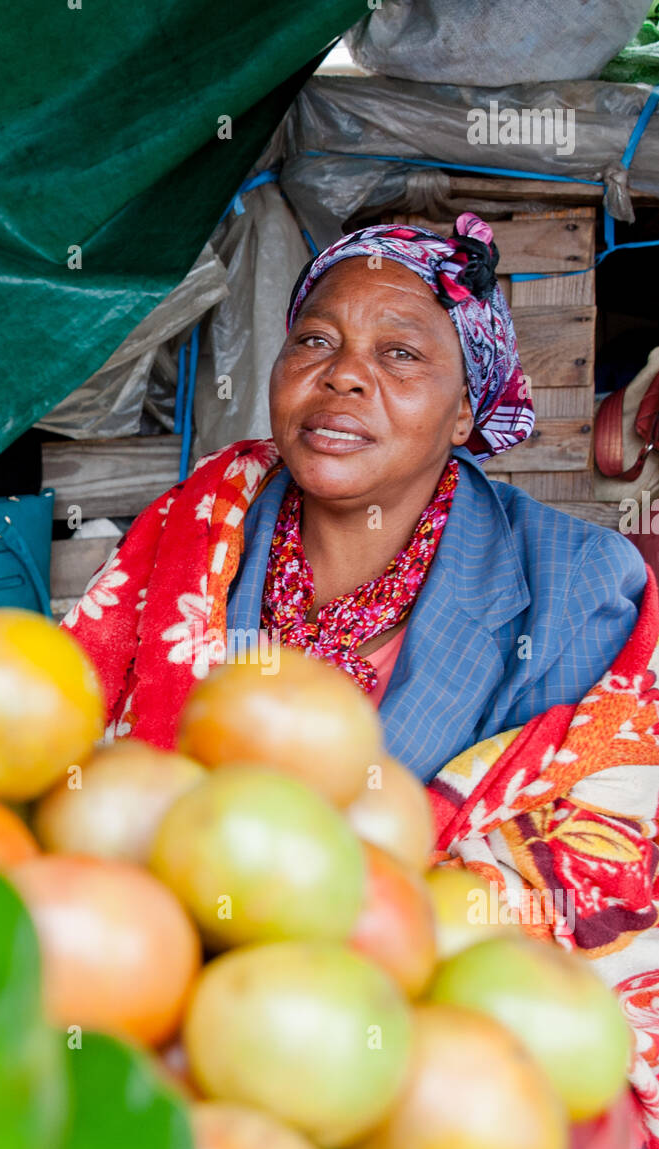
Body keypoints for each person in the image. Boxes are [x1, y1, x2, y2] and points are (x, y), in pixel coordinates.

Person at [62, 213, 646, 782]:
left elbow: (563, 837)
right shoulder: (197, 526)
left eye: (400, 353)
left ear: (464, 410)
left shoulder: (577, 584)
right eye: (315, 339)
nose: (344, 374)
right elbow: (65, 744)